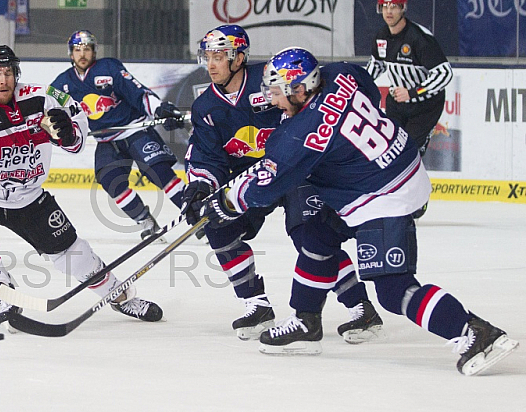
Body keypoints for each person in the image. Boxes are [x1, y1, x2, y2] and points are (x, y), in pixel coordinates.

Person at [202, 46, 519, 375]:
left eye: (277, 91)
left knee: (394, 289)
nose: (270, 97)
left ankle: (475, 333)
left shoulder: (300, 134)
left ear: (299, 89)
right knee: (315, 236)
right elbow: (365, 85)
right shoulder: (340, 74)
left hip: (386, 193)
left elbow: (264, 186)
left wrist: (223, 203)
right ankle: (306, 321)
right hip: (397, 160)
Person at [0, 45, 163, 329]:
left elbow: (77, 135)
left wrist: (68, 133)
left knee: (76, 257)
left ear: (16, 73)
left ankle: (121, 296)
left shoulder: (45, 97)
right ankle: (5, 294)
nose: (2, 80)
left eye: (7, 72)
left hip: (29, 197)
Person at [184, 25, 383, 341]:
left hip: (294, 171)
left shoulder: (270, 81)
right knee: (217, 228)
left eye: (219, 56)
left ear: (238, 58)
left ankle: (360, 307)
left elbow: (316, 98)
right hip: (250, 180)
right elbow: (207, 158)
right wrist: (201, 185)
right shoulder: (205, 106)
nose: (211, 64)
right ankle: (256, 304)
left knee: (310, 236)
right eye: (208, 56)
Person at [50, 30, 186, 241]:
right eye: (78, 50)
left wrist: (159, 108)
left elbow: (136, 92)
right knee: (110, 180)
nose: (82, 54)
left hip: (135, 129)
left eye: (87, 49)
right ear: (71, 54)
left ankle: (197, 211)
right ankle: (145, 220)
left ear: (94, 51)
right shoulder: (62, 84)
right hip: (107, 140)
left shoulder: (109, 68)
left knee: (159, 172)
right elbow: (47, 108)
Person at [367, 0, 453, 217]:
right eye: (385, 6)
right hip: (397, 103)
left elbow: (445, 74)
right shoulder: (381, 37)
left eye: (394, 6)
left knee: (410, 152)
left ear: (403, 8)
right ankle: (392, 196)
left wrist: (414, 92)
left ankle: (419, 198)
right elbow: (375, 67)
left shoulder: (419, 39)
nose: (389, 11)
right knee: (388, 148)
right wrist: (356, 85)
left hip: (425, 106)